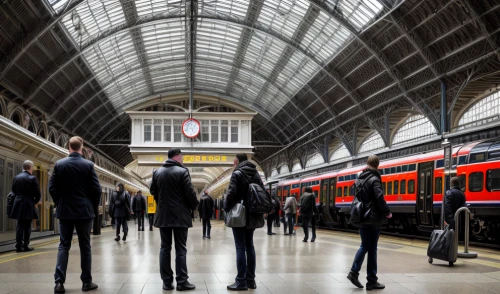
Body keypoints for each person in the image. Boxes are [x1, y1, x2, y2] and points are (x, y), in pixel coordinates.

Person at [49, 136, 101, 293]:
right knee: (85, 247)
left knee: (63, 246)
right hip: (84, 212)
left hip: (65, 211)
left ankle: (59, 283)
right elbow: (97, 190)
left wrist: (60, 202)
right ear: (82, 147)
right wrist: (91, 206)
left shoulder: (59, 165)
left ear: (68, 147)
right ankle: (86, 282)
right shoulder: (88, 165)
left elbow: (52, 188)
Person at [150, 148, 199, 291]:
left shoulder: (157, 172)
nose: (182, 158)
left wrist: (162, 204)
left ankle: (166, 282)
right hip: (180, 216)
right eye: (181, 156)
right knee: (180, 249)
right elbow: (190, 193)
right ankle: (182, 281)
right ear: (177, 156)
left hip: (163, 215)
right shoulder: (183, 172)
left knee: (164, 248)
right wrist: (193, 206)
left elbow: (154, 191)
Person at [347, 155, 391, 291]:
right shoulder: (374, 179)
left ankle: (356, 274)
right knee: (371, 248)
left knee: (365, 245)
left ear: (367, 163)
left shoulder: (360, 178)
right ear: (378, 165)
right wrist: (387, 211)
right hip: (373, 218)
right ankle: (370, 279)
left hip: (361, 216)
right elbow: (379, 197)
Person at [224, 153, 265, 291]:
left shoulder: (237, 173)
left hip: (239, 214)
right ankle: (251, 280)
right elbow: (262, 192)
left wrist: (226, 207)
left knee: (240, 247)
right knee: (250, 246)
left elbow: (231, 193)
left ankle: (241, 281)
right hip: (253, 214)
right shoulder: (256, 173)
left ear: (237, 160)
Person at [9, 160, 41, 252]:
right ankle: (25, 245)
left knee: (19, 225)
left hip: (18, 203)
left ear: (23, 167)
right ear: (30, 167)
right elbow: (37, 193)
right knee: (27, 226)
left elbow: (13, 191)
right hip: (28, 204)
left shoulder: (16, 177)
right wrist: (34, 201)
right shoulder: (32, 178)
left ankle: (18, 246)